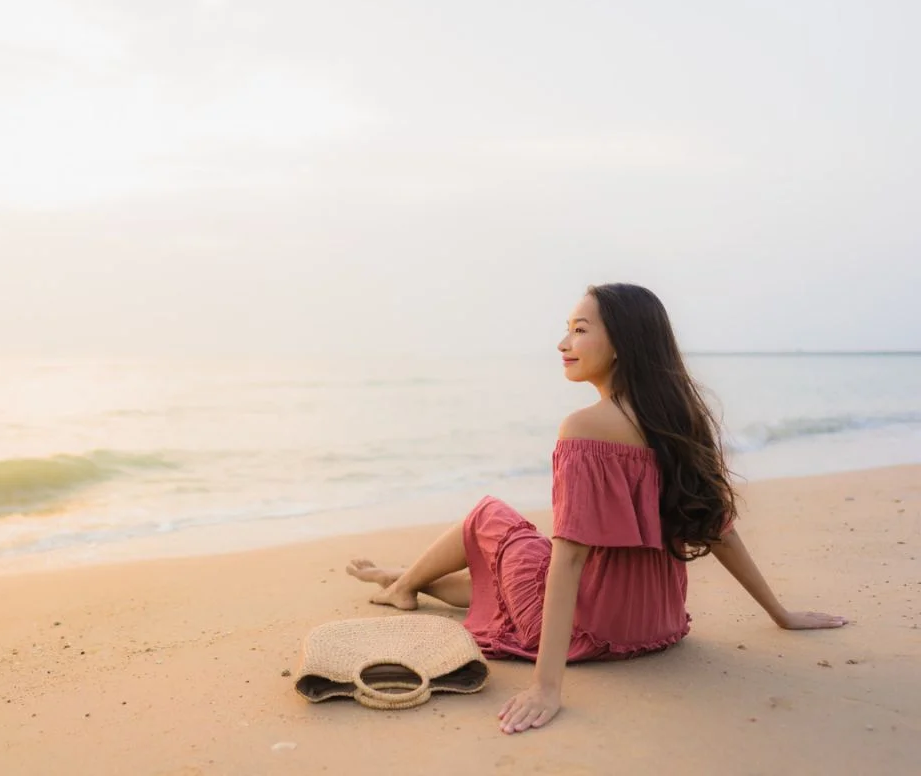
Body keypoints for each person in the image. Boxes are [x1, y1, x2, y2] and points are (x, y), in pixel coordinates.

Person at [345, 283, 848, 734]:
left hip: (594, 627)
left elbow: (570, 559)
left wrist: (547, 688)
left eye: (579, 330)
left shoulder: (585, 427)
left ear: (622, 343)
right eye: (566, 330)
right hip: (655, 623)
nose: (563, 344)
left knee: (489, 514)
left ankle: (405, 585)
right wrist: (779, 614)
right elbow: (718, 527)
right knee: (514, 571)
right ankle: (404, 578)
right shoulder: (682, 419)